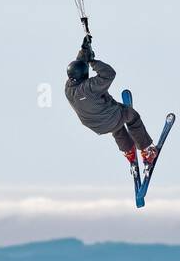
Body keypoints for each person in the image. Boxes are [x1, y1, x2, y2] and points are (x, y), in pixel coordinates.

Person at [64, 35, 157, 169]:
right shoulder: (90, 87)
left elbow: (78, 66)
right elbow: (109, 74)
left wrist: (84, 50)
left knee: (115, 126)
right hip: (110, 117)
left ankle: (129, 152)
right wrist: (92, 61)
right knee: (131, 116)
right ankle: (147, 151)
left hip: (97, 126)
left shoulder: (68, 89)